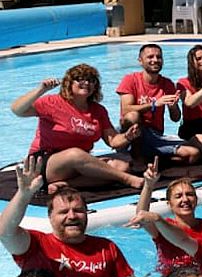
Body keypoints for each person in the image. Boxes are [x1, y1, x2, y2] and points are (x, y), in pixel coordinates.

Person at [1, 158, 137, 277]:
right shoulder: (36, 245)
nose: (72, 216)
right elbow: (5, 233)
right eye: (64, 212)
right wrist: (24, 194)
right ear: (50, 217)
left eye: (78, 210)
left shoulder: (106, 247)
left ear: (86, 214)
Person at [12, 66, 143, 190]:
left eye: (91, 80)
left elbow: (113, 140)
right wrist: (41, 89)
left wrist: (127, 136)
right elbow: (17, 110)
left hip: (78, 162)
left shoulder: (98, 110)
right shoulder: (52, 102)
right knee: (75, 154)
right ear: (69, 83)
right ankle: (127, 179)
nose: (86, 82)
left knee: (121, 167)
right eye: (80, 79)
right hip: (44, 162)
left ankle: (65, 184)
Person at [116, 44, 200, 168]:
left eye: (158, 57)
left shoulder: (167, 84)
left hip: (154, 136)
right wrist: (154, 104)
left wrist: (173, 107)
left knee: (193, 154)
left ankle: (153, 159)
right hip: (130, 134)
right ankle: (137, 156)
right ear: (140, 60)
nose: (155, 60)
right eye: (150, 57)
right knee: (133, 116)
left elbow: (176, 118)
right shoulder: (130, 79)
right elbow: (126, 109)